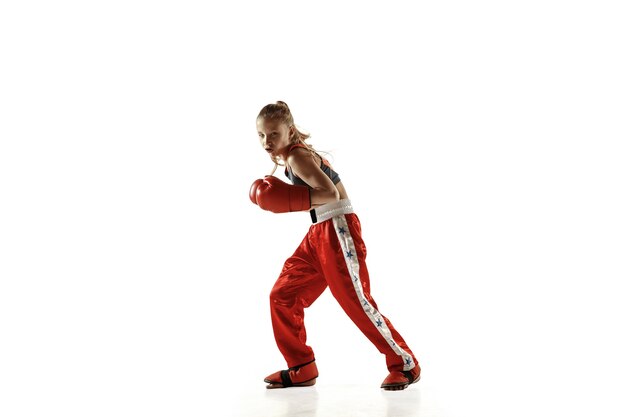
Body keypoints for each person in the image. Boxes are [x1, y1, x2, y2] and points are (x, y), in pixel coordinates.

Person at [249, 101, 420, 391]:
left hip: (337, 229)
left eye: (274, 134)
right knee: (283, 294)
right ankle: (301, 366)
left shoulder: (296, 157)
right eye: (262, 135)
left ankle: (404, 363)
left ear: (289, 131)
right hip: (318, 231)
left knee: (356, 302)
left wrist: (287, 201)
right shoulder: (294, 154)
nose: (267, 142)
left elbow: (328, 193)